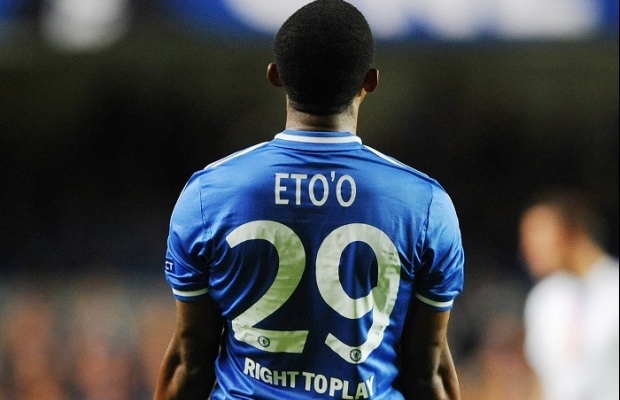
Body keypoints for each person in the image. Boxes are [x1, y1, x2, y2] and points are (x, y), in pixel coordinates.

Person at [154, 1, 465, 399]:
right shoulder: (425, 204)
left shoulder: (208, 194)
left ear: (275, 75)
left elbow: (190, 362)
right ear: (370, 81)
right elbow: (428, 372)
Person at [519, 187, 619, 400]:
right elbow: (541, 380)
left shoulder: (614, 289)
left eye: (538, 233)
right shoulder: (544, 298)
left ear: (573, 232)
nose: (528, 246)